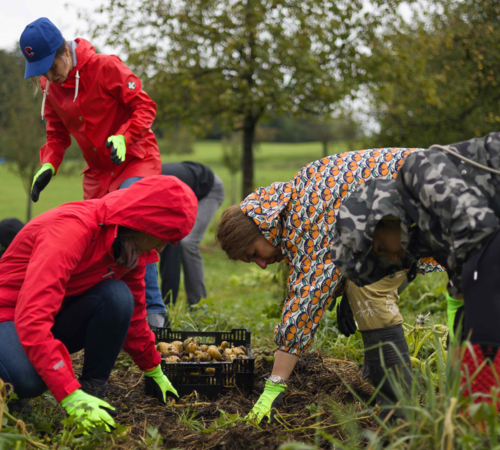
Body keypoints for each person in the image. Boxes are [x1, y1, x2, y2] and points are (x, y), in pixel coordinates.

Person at [216, 148, 444, 423]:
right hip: (423, 193)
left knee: (370, 291)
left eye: (254, 254)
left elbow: (304, 306)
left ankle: (400, 411)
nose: (262, 264)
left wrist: (274, 386)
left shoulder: (305, 215)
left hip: (439, 195)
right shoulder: (297, 196)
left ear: (262, 228)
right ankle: (375, 381)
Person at [0, 176, 197, 432]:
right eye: (164, 237)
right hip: (9, 315)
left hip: (50, 313)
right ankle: (12, 382)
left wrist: (153, 367)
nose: (162, 246)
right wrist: (67, 392)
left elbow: (136, 312)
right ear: (144, 224)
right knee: (30, 380)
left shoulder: (127, 248)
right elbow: (32, 316)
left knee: (117, 295)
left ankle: (92, 388)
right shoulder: (72, 230)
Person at [330, 131, 500, 404]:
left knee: (484, 338)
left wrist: (479, 350)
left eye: (382, 250)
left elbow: (480, 235)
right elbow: (460, 280)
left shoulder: (419, 171)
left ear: (385, 220)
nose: (393, 258)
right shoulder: (422, 233)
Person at [19, 17, 166, 328]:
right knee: (98, 238)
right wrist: (49, 163)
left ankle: (153, 312)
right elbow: (57, 133)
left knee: (132, 219)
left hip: (135, 157)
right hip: (98, 173)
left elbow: (145, 106)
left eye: (50, 66)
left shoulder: (105, 66)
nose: (47, 76)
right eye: (40, 71)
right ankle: (116, 313)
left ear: (64, 52)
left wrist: (124, 136)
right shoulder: (51, 86)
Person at [159, 162, 225, 306]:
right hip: (188, 191)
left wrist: (167, 304)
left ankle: (198, 306)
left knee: (186, 242)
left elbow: (171, 246)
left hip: (209, 190)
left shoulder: (158, 188)